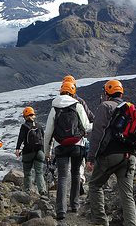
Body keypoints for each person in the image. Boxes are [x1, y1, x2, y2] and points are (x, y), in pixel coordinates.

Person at [86, 80, 136, 226]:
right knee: (127, 195)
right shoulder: (130, 108)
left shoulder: (105, 106)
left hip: (110, 155)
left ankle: (101, 222)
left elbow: (97, 133)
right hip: (129, 156)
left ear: (107, 92)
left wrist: (91, 157)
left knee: (95, 186)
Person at [44, 81, 92, 221]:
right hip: (77, 145)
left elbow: (48, 133)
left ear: (61, 91)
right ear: (73, 92)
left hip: (60, 146)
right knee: (76, 173)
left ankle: (60, 210)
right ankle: (75, 205)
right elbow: (87, 126)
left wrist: (47, 152)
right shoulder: (77, 105)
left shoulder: (54, 108)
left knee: (63, 177)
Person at [62, 74, 94, 195]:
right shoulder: (80, 101)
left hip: (61, 140)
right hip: (78, 138)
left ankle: (66, 189)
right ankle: (79, 181)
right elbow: (90, 117)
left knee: (66, 165)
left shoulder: (57, 103)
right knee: (79, 164)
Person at [15, 106, 47, 195]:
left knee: (27, 172)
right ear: (33, 115)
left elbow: (21, 138)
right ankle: (42, 190)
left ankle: (28, 190)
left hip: (28, 152)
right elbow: (43, 138)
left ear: (25, 116)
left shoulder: (24, 126)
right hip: (40, 152)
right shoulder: (39, 126)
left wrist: (17, 148)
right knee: (39, 172)